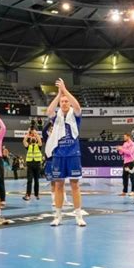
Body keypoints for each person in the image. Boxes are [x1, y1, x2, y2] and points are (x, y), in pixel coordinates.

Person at [45, 78, 86, 227]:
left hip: (73, 154)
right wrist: (59, 94)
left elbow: (77, 106)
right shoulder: (56, 117)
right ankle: (58, 216)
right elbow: (49, 110)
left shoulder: (75, 117)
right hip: (58, 155)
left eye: (66, 101)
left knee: (75, 185)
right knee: (58, 186)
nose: (64, 103)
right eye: (62, 102)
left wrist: (65, 91)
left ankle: (78, 216)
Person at [22, 128, 43, 201]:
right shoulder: (29, 146)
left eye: (35, 138)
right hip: (30, 164)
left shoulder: (39, 146)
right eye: (32, 138)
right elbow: (24, 141)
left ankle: (37, 194)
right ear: (30, 140)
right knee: (29, 180)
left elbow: (39, 139)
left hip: (37, 164)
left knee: (36, 180)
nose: (34, 138)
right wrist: (28, 133)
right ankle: (28, 195)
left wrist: (35, 132)